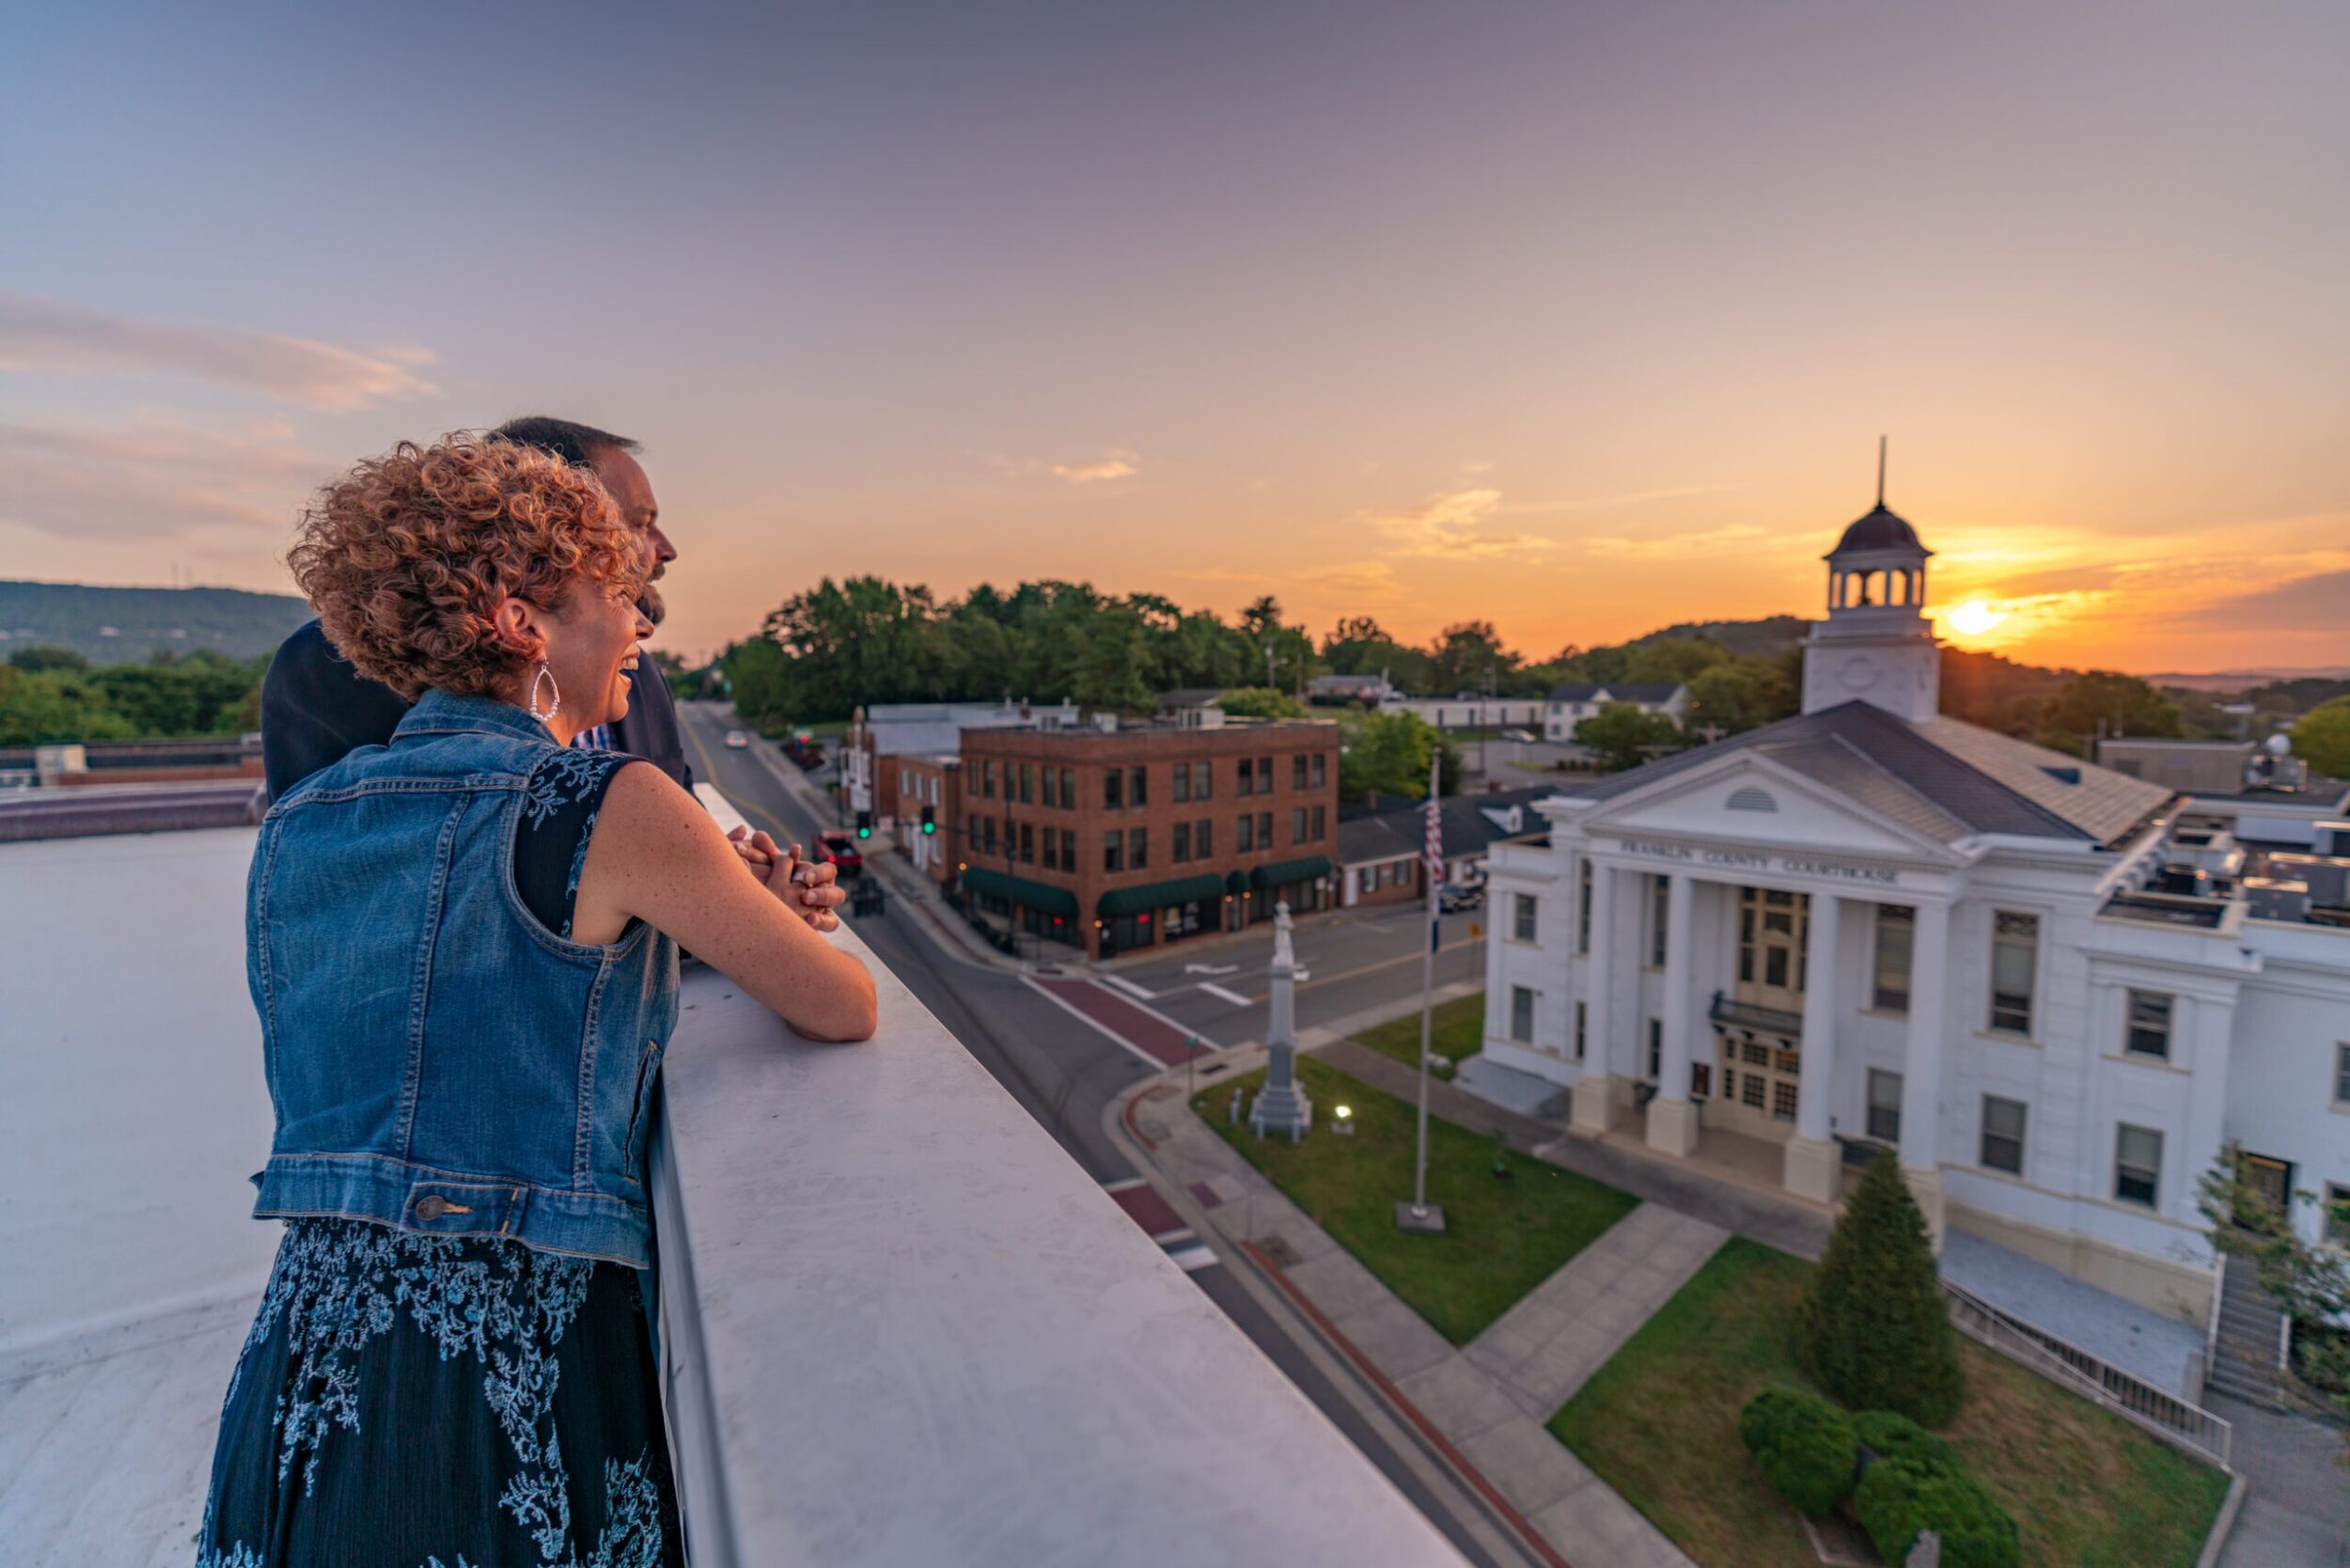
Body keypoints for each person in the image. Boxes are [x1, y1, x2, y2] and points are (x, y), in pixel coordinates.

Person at [200, 434, 876, 1567]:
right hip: (513, 1377)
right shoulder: (617, 800)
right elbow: (841, 1003)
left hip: (300, 1371)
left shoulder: (299, 824)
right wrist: (737, 897)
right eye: (616, 593)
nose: (642, 625)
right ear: (522, 623)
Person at [258, 416, 692, 801]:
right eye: (636, 523)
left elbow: (683, 804)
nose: (665, 550)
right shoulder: (326, 668)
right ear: (542, 522)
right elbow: (329, 858)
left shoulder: (639, 674)